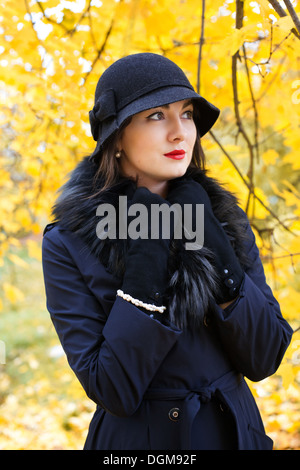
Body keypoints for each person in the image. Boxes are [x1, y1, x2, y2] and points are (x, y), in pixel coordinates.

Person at [42, 53, 293, 450]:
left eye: (187, 113)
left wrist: (217, 248)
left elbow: (264, 357)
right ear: (117, 136)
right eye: (156, 115)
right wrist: (146, 267)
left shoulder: (223, 217)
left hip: (236, 433)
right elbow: (113, 390)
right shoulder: (68, 241)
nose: (180, 132)